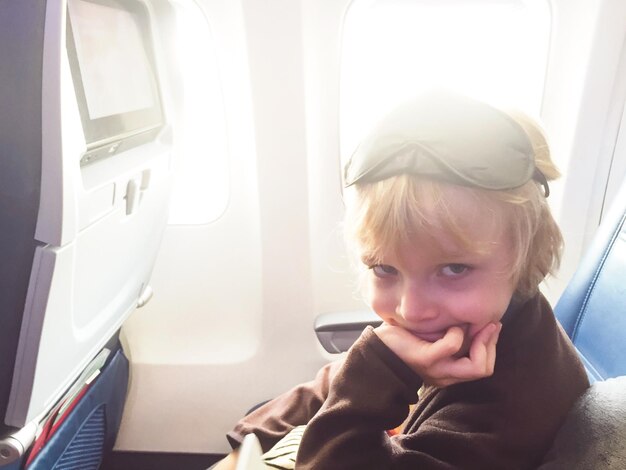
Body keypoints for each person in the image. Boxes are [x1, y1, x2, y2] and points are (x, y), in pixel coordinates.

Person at [213, 92, 589, 469]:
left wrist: (376, 371)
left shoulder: (512, 412)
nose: (410, 309)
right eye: (384, 269)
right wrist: (250, 440)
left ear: (527, 259)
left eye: (454, 269)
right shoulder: (473, 319)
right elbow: (339, 379)